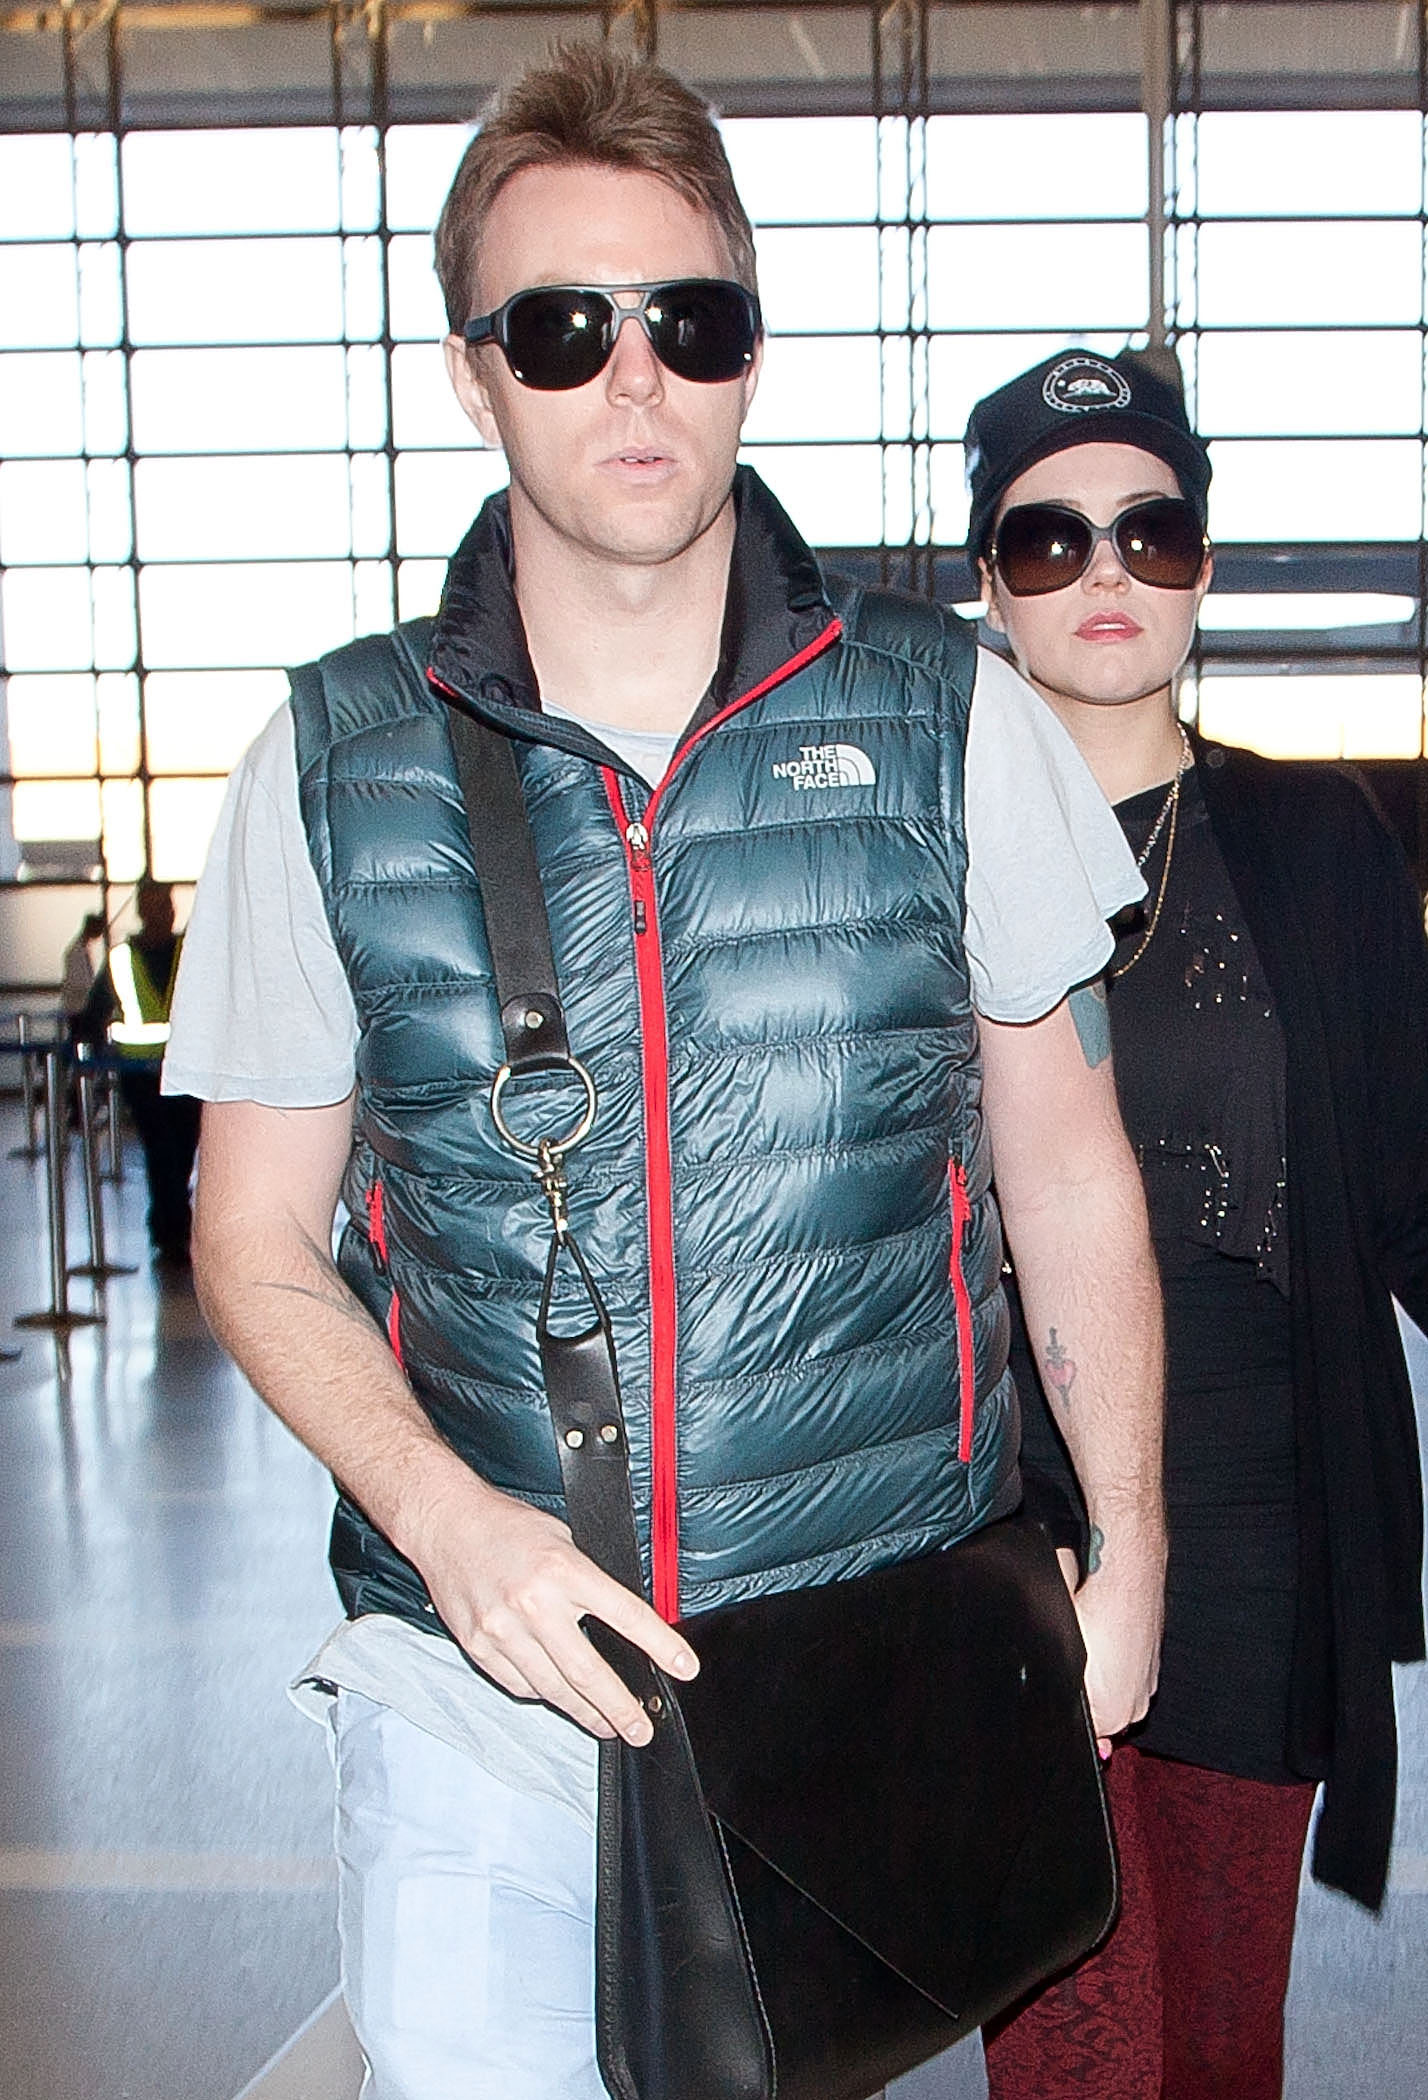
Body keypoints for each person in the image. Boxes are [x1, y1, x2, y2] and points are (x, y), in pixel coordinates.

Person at [165, 49, 1167, 2095]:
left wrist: (1132, 1557)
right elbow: (253, 1237)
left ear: (747, 354)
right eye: (562, 329)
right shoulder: (329, 767)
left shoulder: (947, 726)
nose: (635, 381)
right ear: (474, 375)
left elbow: (1069, 1174)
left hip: (856, 1676)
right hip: (481, 1681)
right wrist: (449, 1526)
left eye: (684, 323)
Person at [960, 350, 1428, 2100]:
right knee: (1081, 2049)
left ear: (1205, 570)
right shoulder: (918, 857)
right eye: (1049, 539)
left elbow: (1421, 1169)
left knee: (1224, 2049)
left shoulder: (1310, 845)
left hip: (1257, 1516)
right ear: (988, 582)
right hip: (1000, 1520)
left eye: (1151, 533)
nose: (1105, 574)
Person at [92, 879, 199, 1266]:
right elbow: (96, 1007)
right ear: (141, 910)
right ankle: (171, 1228)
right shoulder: (122, 958)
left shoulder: (189, 952)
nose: (162, 913)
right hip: (139, 1074)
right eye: (154, 906)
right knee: (160, 1149)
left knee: (183, 1148)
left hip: (185, 1072)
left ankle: (172, 1222)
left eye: (166, 905)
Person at [56, 909, 105, 1052]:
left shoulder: (80, 950)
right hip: (79, 1010)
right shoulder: (76, 953)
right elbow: (81, 984)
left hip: (80, 1009)